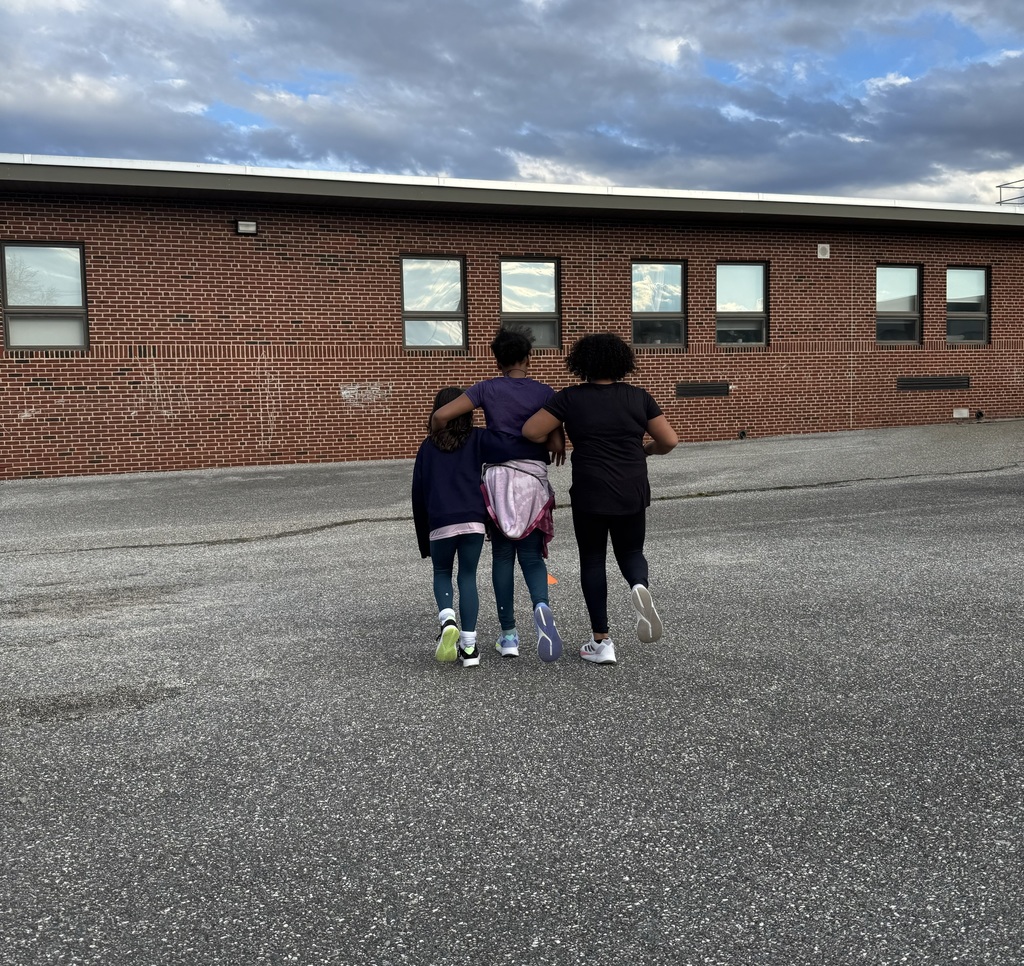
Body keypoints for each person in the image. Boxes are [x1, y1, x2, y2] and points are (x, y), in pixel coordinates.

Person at [522, 332, 679, 666]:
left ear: (581, 363)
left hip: (591, 489)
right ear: (623, 362)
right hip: (632, 487)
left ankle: (602, 641)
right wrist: (645, 450)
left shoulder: (570, 399)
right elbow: (669, 440)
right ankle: (639, 586)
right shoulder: (639, 397)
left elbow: (531, 431)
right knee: (632, 550)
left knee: (593, 559)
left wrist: (559, 436)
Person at [430, 326, 565, 662]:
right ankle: (542, 607)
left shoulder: (486, 388)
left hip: (499, 479)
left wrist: (437, 443)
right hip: (533, 477)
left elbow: (442, 415)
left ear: (497, 358)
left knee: (503, 557)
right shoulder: (545, 392)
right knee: (532, 558)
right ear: (528, 357)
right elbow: (556, 442)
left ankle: (508, 637)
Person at [412, 387, 488, 668]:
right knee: (467, 576)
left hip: (440, 521)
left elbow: (418, 493)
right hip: (473, 519)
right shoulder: (479, 439)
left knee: (442, 571)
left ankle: (447, 619)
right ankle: (469, 648)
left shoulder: (428, 446)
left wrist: (424, 537)